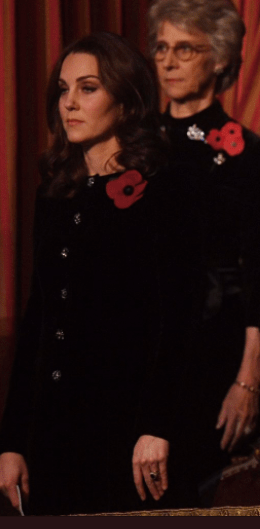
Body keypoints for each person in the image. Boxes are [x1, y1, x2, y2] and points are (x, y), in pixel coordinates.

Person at [0, 33, 202, 514]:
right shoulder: (56, 192)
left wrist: (156, 426)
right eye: (63, 89)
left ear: (126, 100)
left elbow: (178, 319)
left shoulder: (166, 189)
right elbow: (38, 318)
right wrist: (12, 441)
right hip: (52, 431)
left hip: (127, 433)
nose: (69, 103)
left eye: (87, 88)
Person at [148, 0, 260, 500]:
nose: (168, 61)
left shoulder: (248, 153)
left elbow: (259, 266)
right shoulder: (131, 142)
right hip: (139, 341)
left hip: (212, 350)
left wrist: (248, 377)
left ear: (220, 57)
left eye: (185, 48)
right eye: (161, 47)